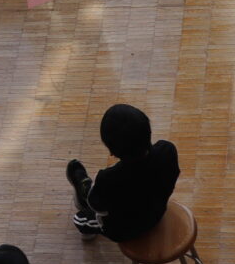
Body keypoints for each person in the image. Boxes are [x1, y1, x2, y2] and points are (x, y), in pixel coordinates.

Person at [66, 103, 180, 242]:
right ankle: (84, 187)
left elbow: (98, 207)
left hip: (124, 230)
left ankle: (84, 188)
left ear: (111, 151)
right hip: (157, 212)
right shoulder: (167, 150)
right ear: (149, 132)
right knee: (103, 196)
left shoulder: (108, 179)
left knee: (80, 218)